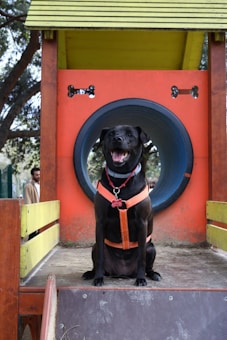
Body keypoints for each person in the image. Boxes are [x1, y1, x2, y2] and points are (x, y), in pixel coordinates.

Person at [24, 167, 40, 239]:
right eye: (36, 175)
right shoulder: (28, 186)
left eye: (39, 174)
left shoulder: (42, 185)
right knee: (33, 232)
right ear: (32, 176)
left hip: (42, 209)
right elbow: (28, 200)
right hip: (34, 211)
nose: (39, 176)